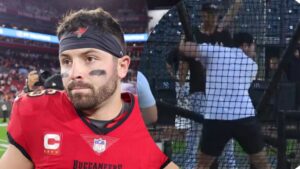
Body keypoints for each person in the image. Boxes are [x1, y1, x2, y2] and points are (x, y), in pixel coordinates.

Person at [0, 8, 178, 169]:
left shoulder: (142, 128)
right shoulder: (37, 113)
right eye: (67, 61)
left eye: (90, 58)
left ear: (122, 66)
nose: (74, 72)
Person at [179, 32, 271, 169]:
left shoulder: (217, 51)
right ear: (245, 46)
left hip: (217, 118)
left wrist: (183, 39)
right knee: (261, 162)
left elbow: (185, 49)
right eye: (253, 46)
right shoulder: (252, 66)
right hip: (244, 117)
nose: (254, 50)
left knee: (203, 165)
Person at [179, 2, 243, 168]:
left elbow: (232, 61)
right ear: (203, 15)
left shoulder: (222, 35)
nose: (213, 17)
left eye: (215, 15)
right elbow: (184, 62)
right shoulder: (194, 35)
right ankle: (189, 166)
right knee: (195, 132)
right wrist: (181, 85)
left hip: (222, 94)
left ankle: (229, 166)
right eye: (209, 14)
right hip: (199, 91)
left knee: (226, 136)